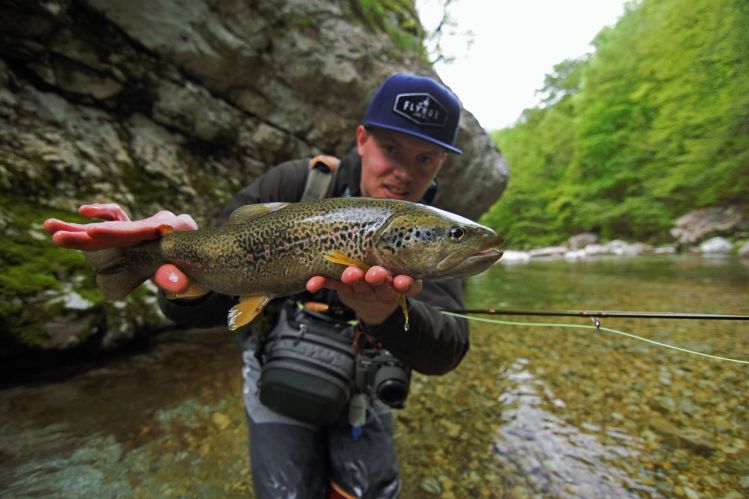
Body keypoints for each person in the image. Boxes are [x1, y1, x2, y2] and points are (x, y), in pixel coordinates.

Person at [45, 73, 470, 498]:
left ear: (441, 164)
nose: (402, 172)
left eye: (425, 159)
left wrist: (385, 314)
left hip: (366, 383)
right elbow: (193, 303)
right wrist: (183, 280)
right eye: (391, 149)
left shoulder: (431, 237)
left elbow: (448, 349)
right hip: (275, 367)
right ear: (362, 138)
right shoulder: (297, 184)